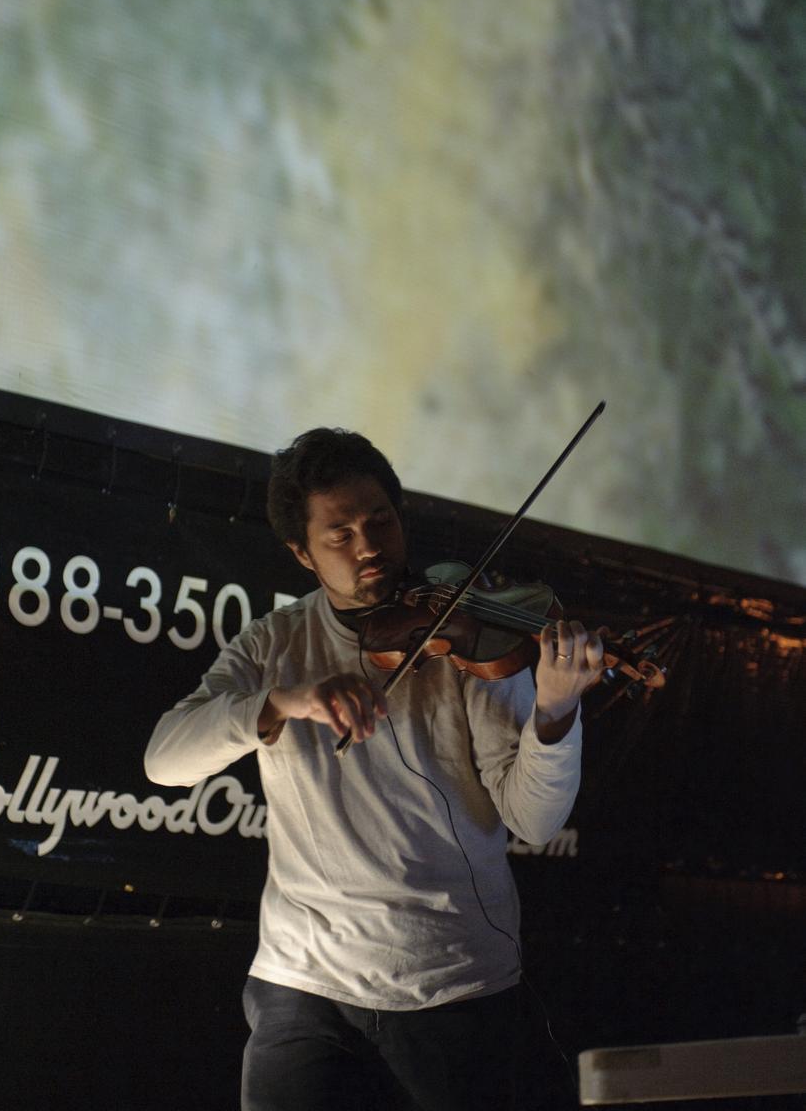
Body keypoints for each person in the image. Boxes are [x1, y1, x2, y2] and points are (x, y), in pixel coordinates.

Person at [144, 428, 605, 1111]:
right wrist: (282, 702)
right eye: (340, 535)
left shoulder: (470, 637)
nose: (368, 548)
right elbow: (165, 759)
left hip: (451, 984)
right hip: (301, 982)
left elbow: (533, 820)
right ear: (302, 553)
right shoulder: (275, 643)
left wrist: (555, 711)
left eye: (379, 521)